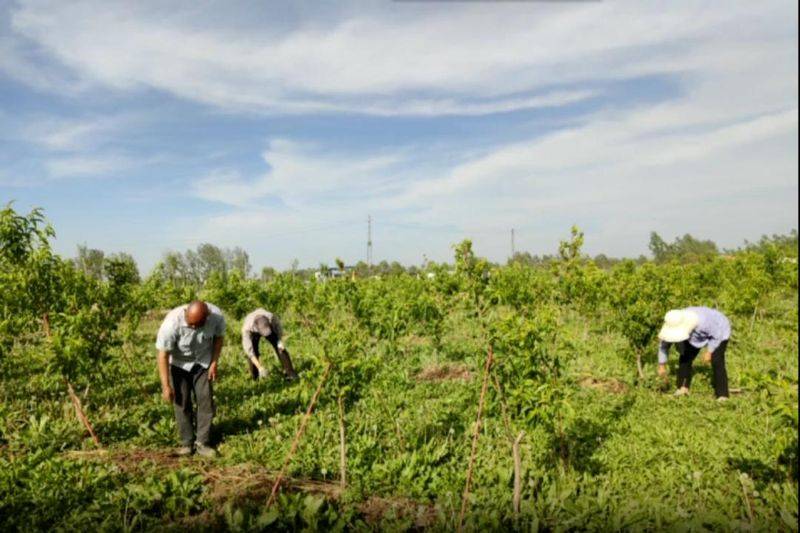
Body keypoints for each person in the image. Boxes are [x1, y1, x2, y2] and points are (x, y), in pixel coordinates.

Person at [155, 300, 225, 457]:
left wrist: (214, 362)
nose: (193, 328)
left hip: (203, 363)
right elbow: (163, 355)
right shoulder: (171, 324)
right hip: (179, 365)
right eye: (190, 324)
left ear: (206, 318)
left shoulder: (216, 317)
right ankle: (187, 443)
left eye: (197, 325)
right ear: (186, 313)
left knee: (206, 401)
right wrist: (166, 386)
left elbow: (219, 338)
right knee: (181, 402)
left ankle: (203, 442)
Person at [657, 306, 730, 401]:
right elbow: (664, 346)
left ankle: (722, 395)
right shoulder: (673, 321)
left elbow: (717, 335)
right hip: (694, 336)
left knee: (717, 361)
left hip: (719, 330)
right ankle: (683, 388)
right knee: (685, 357)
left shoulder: (703, 322)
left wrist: (709, 351)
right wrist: (662, 366)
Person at [241, 308, 298, 381]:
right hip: (253, 331)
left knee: (280, 347)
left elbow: (279, 331)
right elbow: (250, 353)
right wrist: (260, 368)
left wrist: (280, 342)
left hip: (269, 326)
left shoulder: (272, 318)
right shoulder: (246, 330)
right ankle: (255, 378)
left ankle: (290, 374)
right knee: (254, 351)